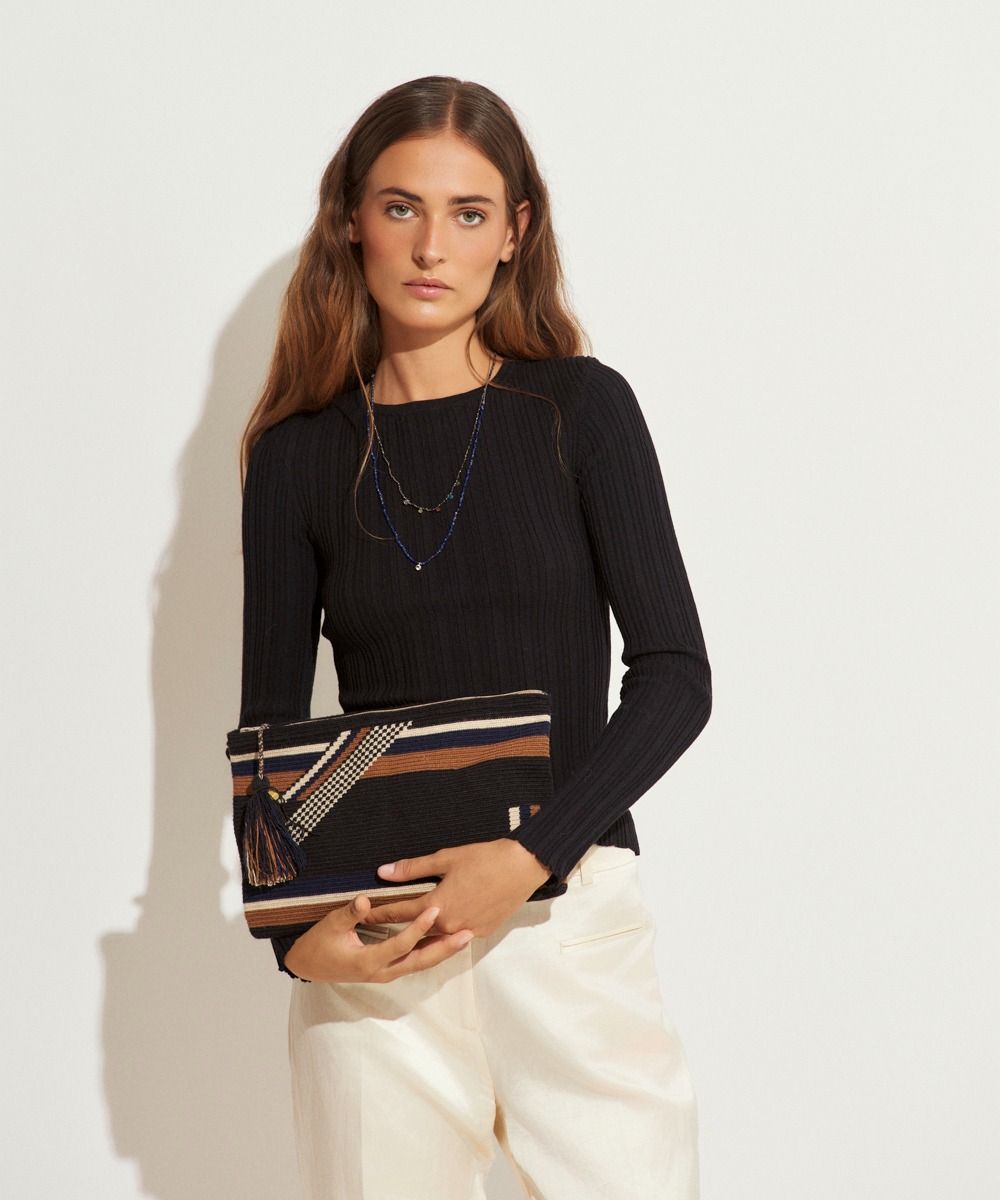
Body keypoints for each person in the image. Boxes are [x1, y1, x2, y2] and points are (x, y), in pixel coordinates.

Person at [235, 74, 712, 1200]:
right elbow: (266, 731)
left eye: (467, 212)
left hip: (564, 916)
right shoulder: (298, 454)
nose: (429, 245)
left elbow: (675, 676)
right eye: (400, 207)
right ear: (351, 220)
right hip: (376, 927)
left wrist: (531, 855)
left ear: (514, 232)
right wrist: (292, 938)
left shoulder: (579, 411)